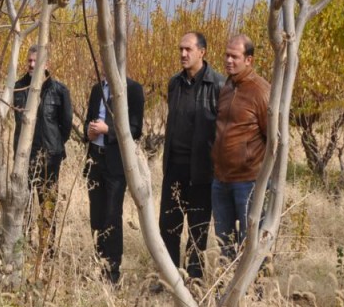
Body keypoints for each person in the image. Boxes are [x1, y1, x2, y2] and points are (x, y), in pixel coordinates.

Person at [159, 32, 225, 281]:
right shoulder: (174, 83)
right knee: (168, 226)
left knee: (197, 229)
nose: (183, 54)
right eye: (180, 49)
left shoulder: (217, 85)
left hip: (202, 170)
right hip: (174, 167)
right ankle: (170, 277)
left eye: (188, 49)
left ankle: (194, 279)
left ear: (202, 52)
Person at [211, 34, 270, 262]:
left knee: (250, 244)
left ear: (249, 60)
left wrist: (265, 179)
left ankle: (255, 293)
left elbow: (273, 139)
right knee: (224, 244)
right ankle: (227, 288)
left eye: (234, 56)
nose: (228, 60)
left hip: (247, 182)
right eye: (226, 55)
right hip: (220, 181)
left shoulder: (261, 91)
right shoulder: (226, 88)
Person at [84, 72, 145, 284]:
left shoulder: (133, 89)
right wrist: (89, 132)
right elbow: (87, 122)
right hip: (95, 161)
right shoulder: (96, 89)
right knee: (96, 216)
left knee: (112, 215)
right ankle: (99, 263)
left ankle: (112, 271)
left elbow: (136, 130)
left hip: (117, 164)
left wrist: (107, 130)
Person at [11, 46, 73, 253]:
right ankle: (24, 249)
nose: (30, 65)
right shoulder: (18, 88)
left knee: (47, 205)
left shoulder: (59, 90)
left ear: (46, 65)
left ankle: (47, 251)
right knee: (23, 205)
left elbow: (66, 125)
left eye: (35, 62)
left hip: (50, 157)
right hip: (24, 156)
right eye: (28, 61)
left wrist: (53, 145)